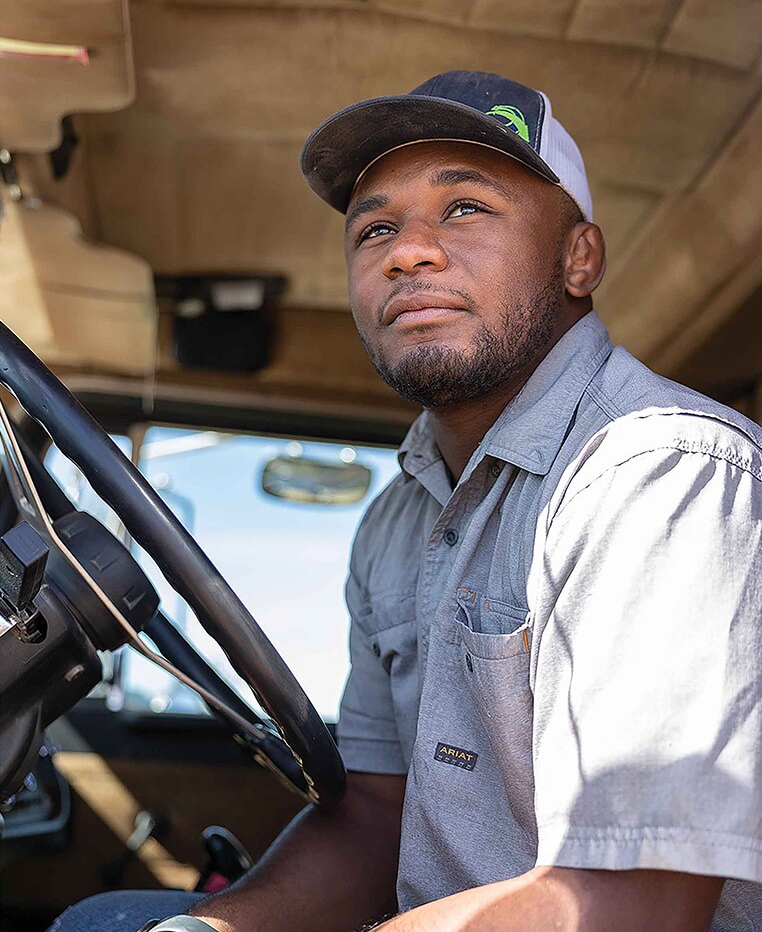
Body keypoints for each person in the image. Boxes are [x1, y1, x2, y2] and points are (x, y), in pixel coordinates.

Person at [51, 71, 761, 932]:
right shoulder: (398, 520)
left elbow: (632, 904)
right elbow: (377, 816)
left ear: (581, 258)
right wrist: (210, 929)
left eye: (465, 208)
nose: (408, 251)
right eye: (376, 227)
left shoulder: (658, 473)